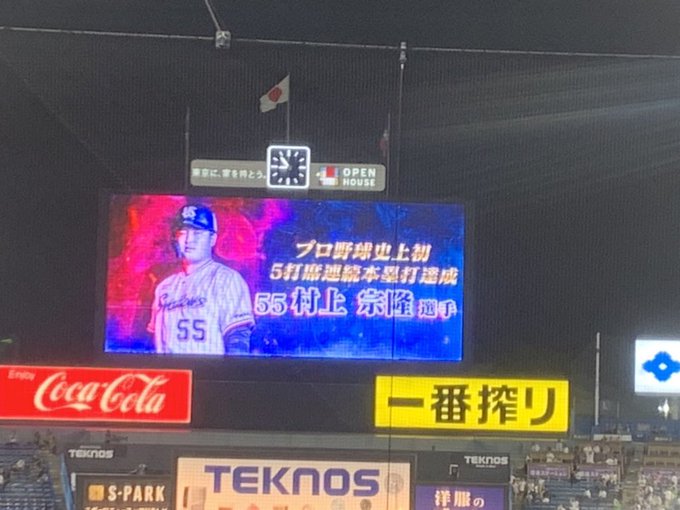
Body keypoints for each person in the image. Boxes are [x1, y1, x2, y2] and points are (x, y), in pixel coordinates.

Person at [147, 204, 255, 355]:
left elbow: (237, 338)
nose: (189, 240)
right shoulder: (164, 286)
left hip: (210, 368)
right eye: (183, 233)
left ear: (212, 239)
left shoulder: (227, 279)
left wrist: (233, 369)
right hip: (169, 369)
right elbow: (151, 342)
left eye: (197, 233)